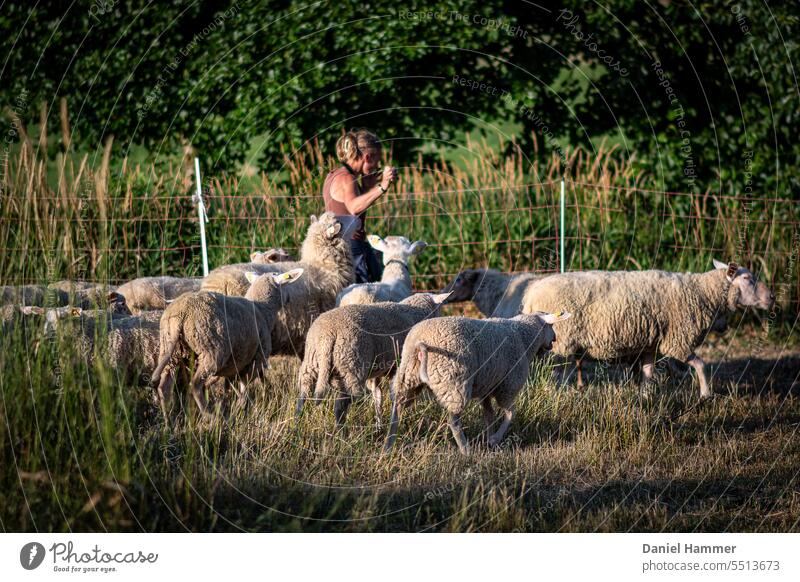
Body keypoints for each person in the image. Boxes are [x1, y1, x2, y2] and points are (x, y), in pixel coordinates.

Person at [322, 128, 397, 283]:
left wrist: (368, 188)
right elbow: (354, 207)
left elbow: (351, 209)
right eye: (377, 161)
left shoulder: (335, 174)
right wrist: (382, 187)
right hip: (351, 248)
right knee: (367, 295)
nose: (377, 167)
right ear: (368, 157)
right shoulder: (347, 178)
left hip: (342, 246)